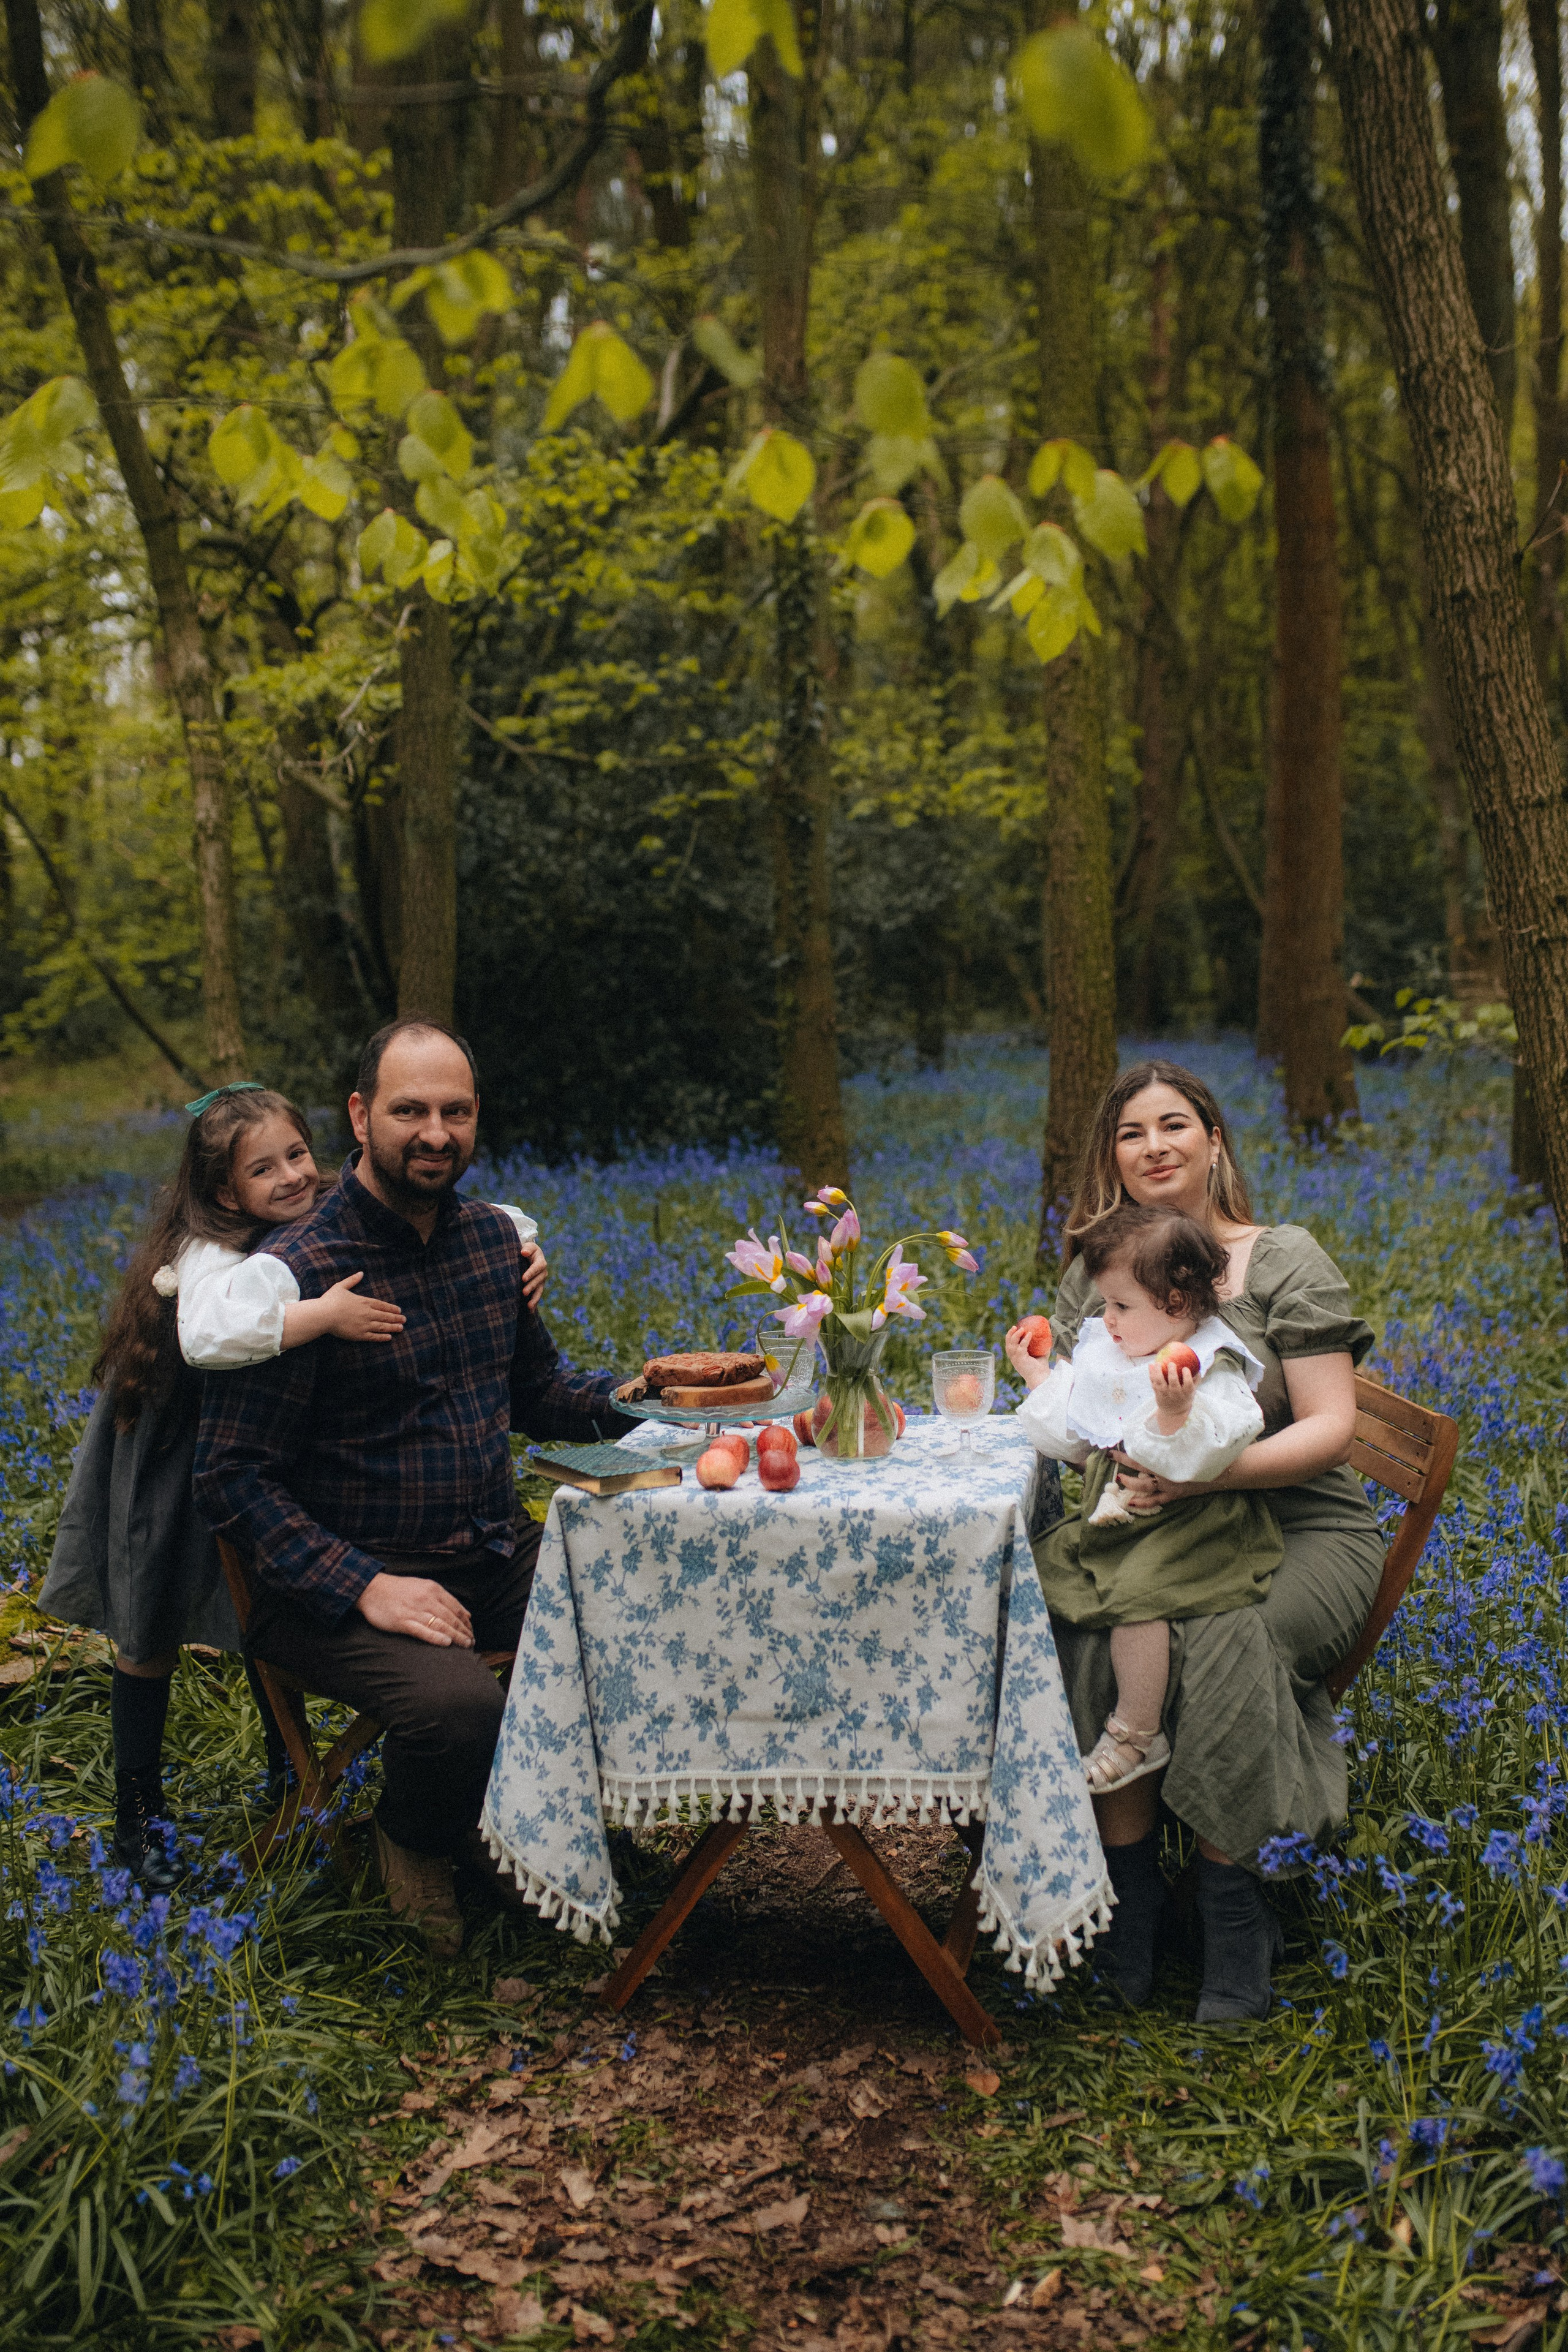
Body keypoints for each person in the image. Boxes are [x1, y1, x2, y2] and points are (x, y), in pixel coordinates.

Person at [193, 1017, 633, 1961]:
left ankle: (545, 1826)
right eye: (409, 1110)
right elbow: (230, 1477)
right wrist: (365, 1586)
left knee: (638, 1612)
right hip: (333, 1585)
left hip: (480, 1547)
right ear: (359, 1116)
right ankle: (415, 1839)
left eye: (456, 1111)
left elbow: (539, 1394)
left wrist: (649, 1399)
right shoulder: (300, 1274)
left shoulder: (489, 1243)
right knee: (456, 1708)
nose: (436, 1132)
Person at [1041, 1059, 1382, 2024]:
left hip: (1300, 1520)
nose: (1154, 1147)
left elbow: (1331, 1427)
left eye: (1174, 1125)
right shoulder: (1100, 1268)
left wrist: (1209, 1471)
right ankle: (1130, 1903)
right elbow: (1085, 1412)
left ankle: (1239, 1921)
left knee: (1232, 1634)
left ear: (1214, 1139)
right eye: (1131, 1132)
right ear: (1112, 1155)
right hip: (1160, 1518)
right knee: (1091, 1619)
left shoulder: (1282, 1259)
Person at [39, 1084, 393, 1890]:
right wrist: (326, 1318)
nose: (292, 1177)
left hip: (265, 1443)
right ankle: (137, 1817)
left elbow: (449, 1222)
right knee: (154, 1615)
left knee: (261, 1603)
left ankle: (290, 1786)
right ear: (224, 1192)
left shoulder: (321, 1212)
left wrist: (524, 1249)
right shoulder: (209, 1249)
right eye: (262, 1169)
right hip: (171, 1443)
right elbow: (208, 1336)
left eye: (298, 1154)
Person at [1008, 1204, 1281, 1798]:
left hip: (1192, 1524)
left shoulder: (1209, 1364)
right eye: (1106, 1304)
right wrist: (1037, 1378)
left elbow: (1211, 1453)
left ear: (1176, 1305)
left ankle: (1137, 1732)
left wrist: (1176, 1414)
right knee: (1045, 1565)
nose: (1105, 1320)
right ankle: (1024, 1737)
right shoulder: (1120, 1352)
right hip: (1118, 1515)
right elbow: (1074, 1439)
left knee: (1138, 1597)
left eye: (1120, 1306)